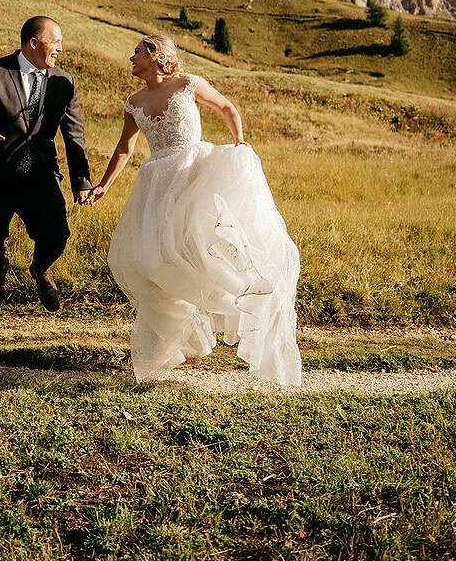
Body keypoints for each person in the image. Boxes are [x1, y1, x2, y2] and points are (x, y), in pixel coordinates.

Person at [88, 35, 301, 386]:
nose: (131, 57)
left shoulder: (188, 84)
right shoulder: (133, 101)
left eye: (137, 53)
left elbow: (227, 109)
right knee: (150, 259)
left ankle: (245, 297)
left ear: (156, 57)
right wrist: (104, 186)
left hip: (195, 171)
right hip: (157, 182)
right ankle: (182, 335)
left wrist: (239, 141)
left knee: (203, 246)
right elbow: (125, 148)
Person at [0, 15, 92, 312]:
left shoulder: (64, 82)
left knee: (57, 235)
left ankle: (41, 268)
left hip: (39, 176)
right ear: (34, 42)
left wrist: (82, 182)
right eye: (55, 41)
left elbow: (74, 135)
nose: (60, 48)